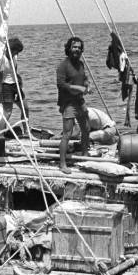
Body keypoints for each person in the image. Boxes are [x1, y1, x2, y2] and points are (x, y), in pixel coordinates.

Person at [55, 36, 90, 173]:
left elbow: (84, 77)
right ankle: (62, 164)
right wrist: (78, 88)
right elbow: (61, 84)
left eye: (79, 48)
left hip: (80, 101)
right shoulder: (63, 66)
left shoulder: (80, 64)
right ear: (69, 48)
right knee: (67, 134)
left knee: (86, 128)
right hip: (68, 103)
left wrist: (86, 85)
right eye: (74, 47)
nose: (77, 50)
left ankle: (85, 154)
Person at [0, 37, 25, 127]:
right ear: (10, 50)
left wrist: (18, 84)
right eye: (16, 51)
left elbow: (15, 70)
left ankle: (26, 131)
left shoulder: (15, 57)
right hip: (5, 86)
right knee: (8, 112)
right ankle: (0, 135)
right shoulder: (2, 60)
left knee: (25, 108)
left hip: (15, 85)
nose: (17, 53)